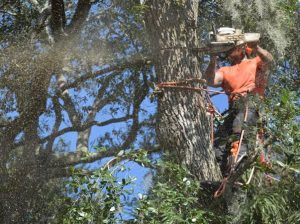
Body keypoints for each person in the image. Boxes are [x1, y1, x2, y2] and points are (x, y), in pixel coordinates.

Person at [205, 42, 273, 176]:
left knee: (239, 131)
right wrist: (213, 58)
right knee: (219, 142)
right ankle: (222, 174)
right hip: (234, 108)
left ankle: (237, 169)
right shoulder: (226, 70)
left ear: (242, 47)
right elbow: (210, 80)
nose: (228, 50)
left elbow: (269, 60)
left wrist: (256, 47)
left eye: (232, 47)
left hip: (251, 103)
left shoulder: (255, 62)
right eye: (226, 48)